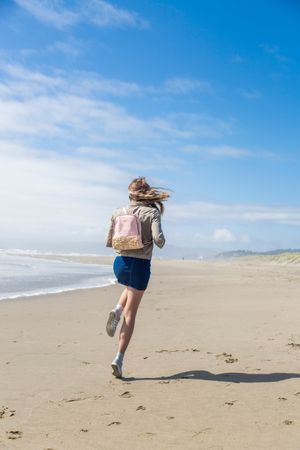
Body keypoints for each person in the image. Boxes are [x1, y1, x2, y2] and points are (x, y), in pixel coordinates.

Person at [105, 177, 169, 378]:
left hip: (120, 263)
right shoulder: (152, 212)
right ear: (146, 193)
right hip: (140, 264)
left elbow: (109, 240)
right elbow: (158, 240)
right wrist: (159, 240)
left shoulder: (117, 212)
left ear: (130, 194)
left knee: (129, 288)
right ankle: (119, 358)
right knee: (131, 315)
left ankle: (117, 309)